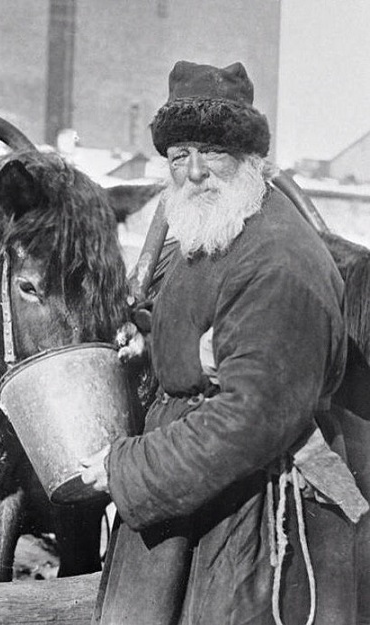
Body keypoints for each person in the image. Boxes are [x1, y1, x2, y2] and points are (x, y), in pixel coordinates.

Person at [80, 61, 367, 625]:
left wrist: (126, 469)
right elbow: (216, 330)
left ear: (249, 157)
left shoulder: (279, 260)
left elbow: (250, 419)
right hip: (200, 503)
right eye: (178, 155)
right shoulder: (219, 232)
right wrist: (158, 344)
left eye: (212, 152)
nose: (193, 172)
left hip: (254, 528)